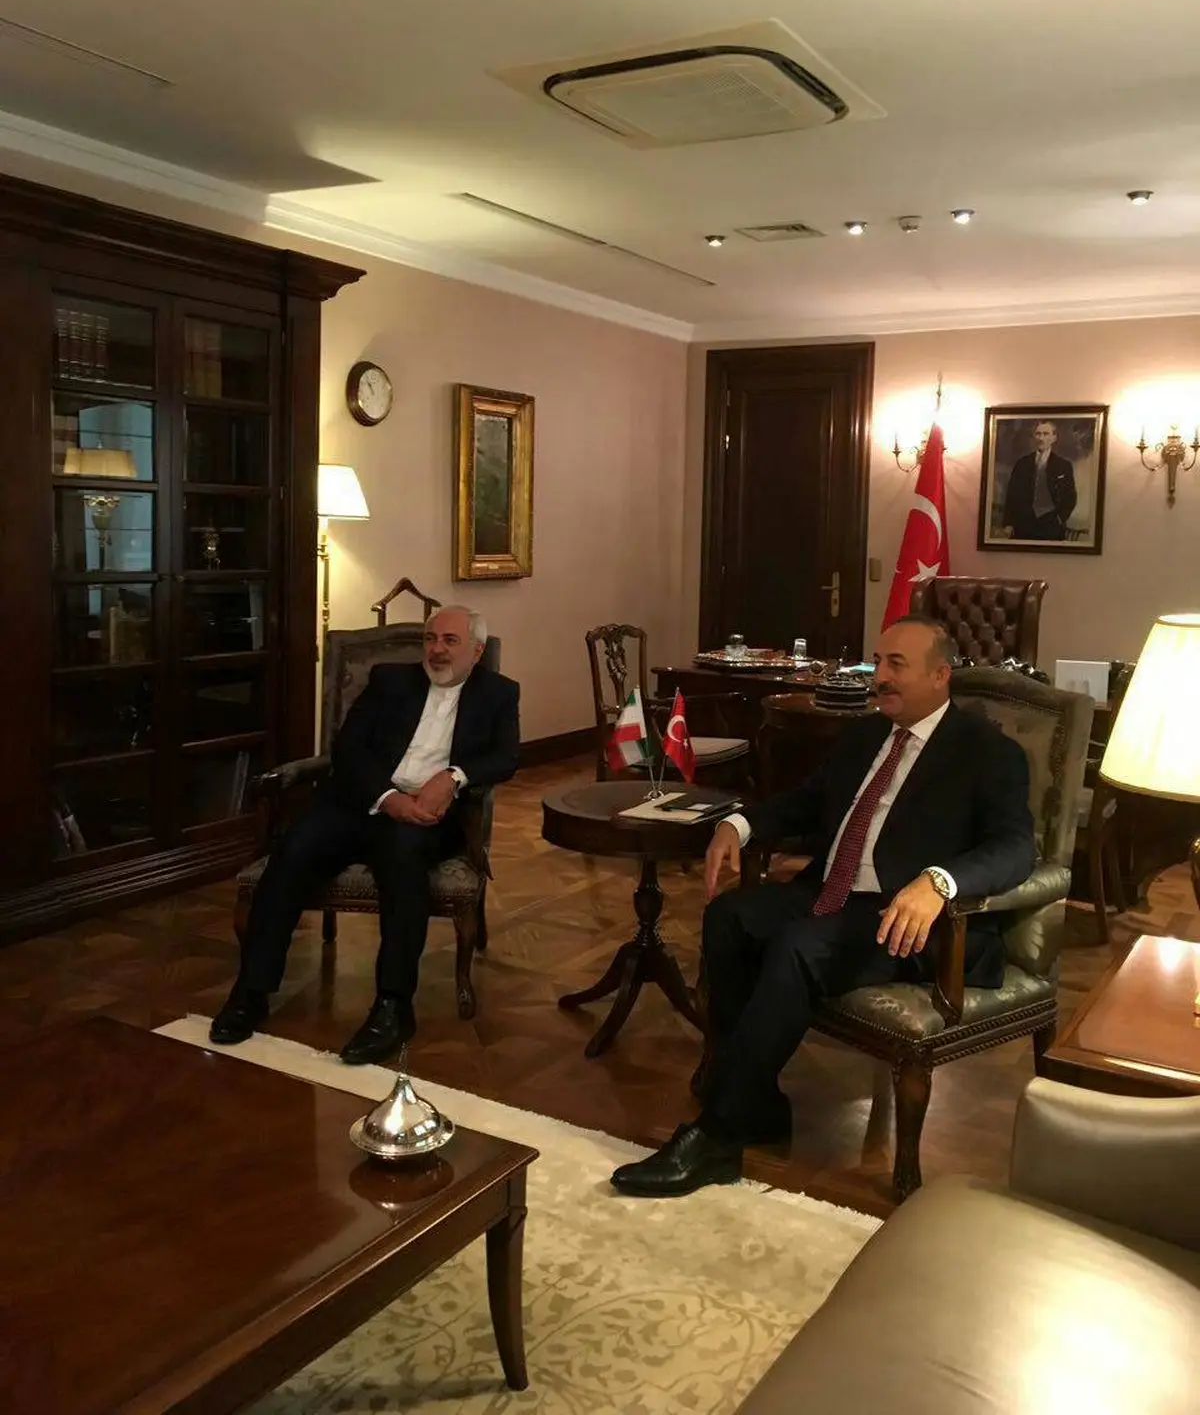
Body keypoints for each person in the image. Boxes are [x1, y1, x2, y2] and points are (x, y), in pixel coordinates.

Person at [610, 615, 1035, 1198]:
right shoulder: (865, 736)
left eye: (896, 665)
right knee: (730, 918)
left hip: (903, 918)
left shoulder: (988, 752)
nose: (879, 677)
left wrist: (939, 882)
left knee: (797, 948)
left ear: (940, 676)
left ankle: (718, 1137)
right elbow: (805, 803)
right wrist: (739, 824)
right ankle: (758, 1104)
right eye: (878, 662)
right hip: (831, 892)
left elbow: (1015, 848)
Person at [209, 605, 520, 1063]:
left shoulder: (498, 693)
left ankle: (393, 1007)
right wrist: (387, 797)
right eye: (431, 639)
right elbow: (348, 747)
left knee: (404, 864)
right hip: (361, 802)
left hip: (428, 817)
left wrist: (453, 777)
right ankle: (251, 992)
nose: (436, 649)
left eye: (450, 641)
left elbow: (506, 757)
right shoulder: (390, 681)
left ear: (476, 651)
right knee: (294, 851)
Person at [1000, 418, 1076, 540]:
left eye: (1046, 434)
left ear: (1054, 438)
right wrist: (1008, 523)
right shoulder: (1022, 463)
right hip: (1023, 525)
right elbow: (1011, 494)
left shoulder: (1063, 465)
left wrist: (1059, 519)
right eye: (1038, 434)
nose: (1041, 438)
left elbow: (1070, 497)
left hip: (1051, 526)